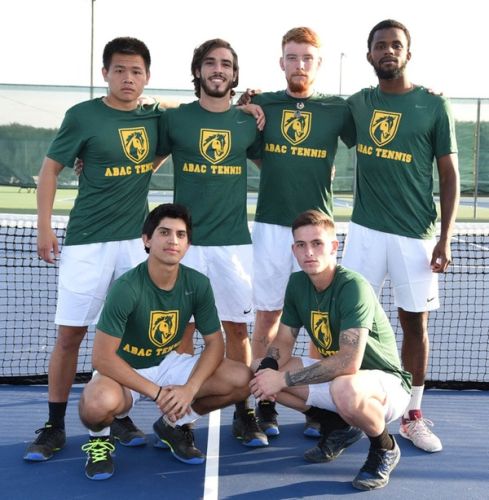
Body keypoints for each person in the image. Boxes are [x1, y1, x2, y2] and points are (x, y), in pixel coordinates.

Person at [24, 37, 163, 462]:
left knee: (124, 338)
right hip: (86, 241)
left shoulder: (154, 117)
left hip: (134, 244)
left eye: (136, 71)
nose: (128, 78)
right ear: (105, 73)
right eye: (119, 70)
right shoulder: (82, 116)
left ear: (147, 77)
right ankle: (53, 424)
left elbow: (181, 125)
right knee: (70, 335)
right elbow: (49, 171)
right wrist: (44, 227)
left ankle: (117, 412)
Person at [343, 19, 460, 453]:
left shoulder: (433, 106)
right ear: (369, 54)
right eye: (380, 45)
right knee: (352, 323)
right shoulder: (358, 104)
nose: (388, 51)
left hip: (415, 235)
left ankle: (412, 414)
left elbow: (449, 174)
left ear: (408, 54)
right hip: (365, 232)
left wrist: (445, 238)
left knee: (414, 324)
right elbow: (309, 113)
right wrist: (258, 103)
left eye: (396, 45)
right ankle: (349, 409)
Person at [78, 203, 253, 480]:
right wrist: (158, 393)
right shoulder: (127, 287)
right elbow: (102, 358)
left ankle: (174, 423)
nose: (173, 240)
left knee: (242, 378)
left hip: (169, 362)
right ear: (147, 240)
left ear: (187, 244)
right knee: (95, 404)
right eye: (164, 232)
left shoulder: (197, 283)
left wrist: (189, 389)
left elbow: (215, 343)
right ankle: (100, 440)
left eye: (181, 235)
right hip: (125, 368)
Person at [239, 27, 355, 437]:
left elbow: (382, 130)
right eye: (292, 57)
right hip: (272, 226)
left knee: (320, 319)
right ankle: (264, 400)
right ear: (281, 61)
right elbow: (238, 142)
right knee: (268, 316)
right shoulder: (262, 105)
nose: (299, 64)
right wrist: (243, 104)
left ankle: (318, 406)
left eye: (307, 57)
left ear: (318, 64)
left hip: (317, 228)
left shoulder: (338, 109)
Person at [155, 39, 267, 447]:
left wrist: (254, 105)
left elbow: (277, 159)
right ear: (198, 71)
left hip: (233, 244)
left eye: (226, 64)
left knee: (237, 328)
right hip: (184, 244)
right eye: (210, 63)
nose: (218, 70)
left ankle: (245, 409)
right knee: (182, 331)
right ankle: (180, 420)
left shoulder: (247, 122)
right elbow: (141, 159)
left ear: (235, 75)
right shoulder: (176, 120)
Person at [250, 210, 411, 491]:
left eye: (317, 243)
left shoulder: (353, 287)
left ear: (334, 247)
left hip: (385, 385)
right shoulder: (298, 284)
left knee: (342, 387)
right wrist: (268, 370)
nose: (309, 252)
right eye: (301, 245)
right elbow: (284, 339)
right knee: (261, 371)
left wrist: (283, 380)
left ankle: (384, 448)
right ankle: (338, 426)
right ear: (294, 250)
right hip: (342, 381)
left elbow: (349, 362)